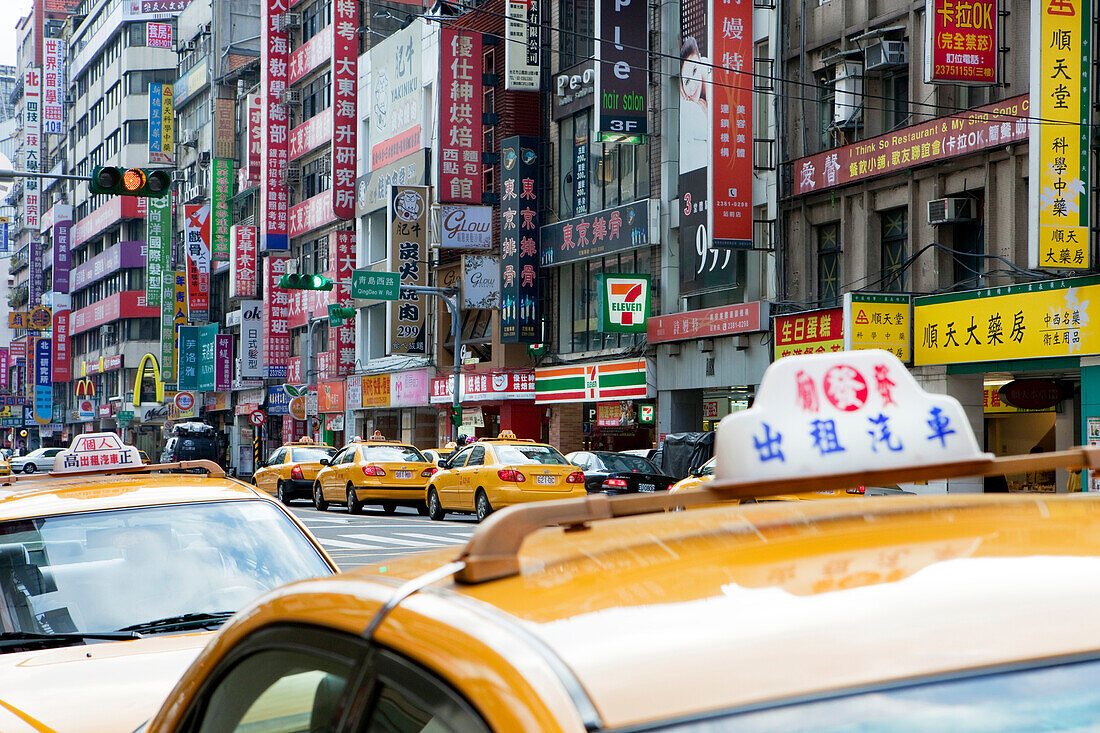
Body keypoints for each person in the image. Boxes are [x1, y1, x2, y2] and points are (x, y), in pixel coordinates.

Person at [679, 36, 710, 173]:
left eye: (694, 71)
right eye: (686, 82)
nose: (693, 85)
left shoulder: (714, 78)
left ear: (700, 59)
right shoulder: (691, 109)